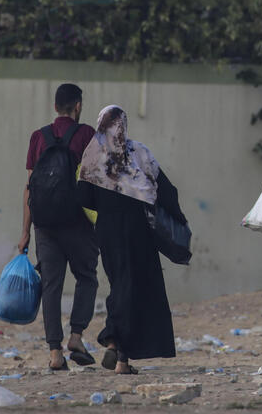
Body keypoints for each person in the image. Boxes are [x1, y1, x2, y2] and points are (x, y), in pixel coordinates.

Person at [76, 105, 185, 374]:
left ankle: (118, 351)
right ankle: (117, 347)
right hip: (139, 229)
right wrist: (173, 219)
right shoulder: (140, 153)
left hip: (108, 230)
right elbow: (167, 191)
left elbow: (82, 198)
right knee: (134, 288)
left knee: (120, 285)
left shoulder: (92, 156)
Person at [20, 83, 99, 371]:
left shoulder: (37, 137)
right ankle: (76, 336)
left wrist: (25, 232)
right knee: (87, 277)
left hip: (45, 226)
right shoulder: (86, 134)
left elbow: (29, 188)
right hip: (78, 222)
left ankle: (55, 353)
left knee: (51, 287)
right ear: (77, 106)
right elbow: (97, 181)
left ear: (55, 107)